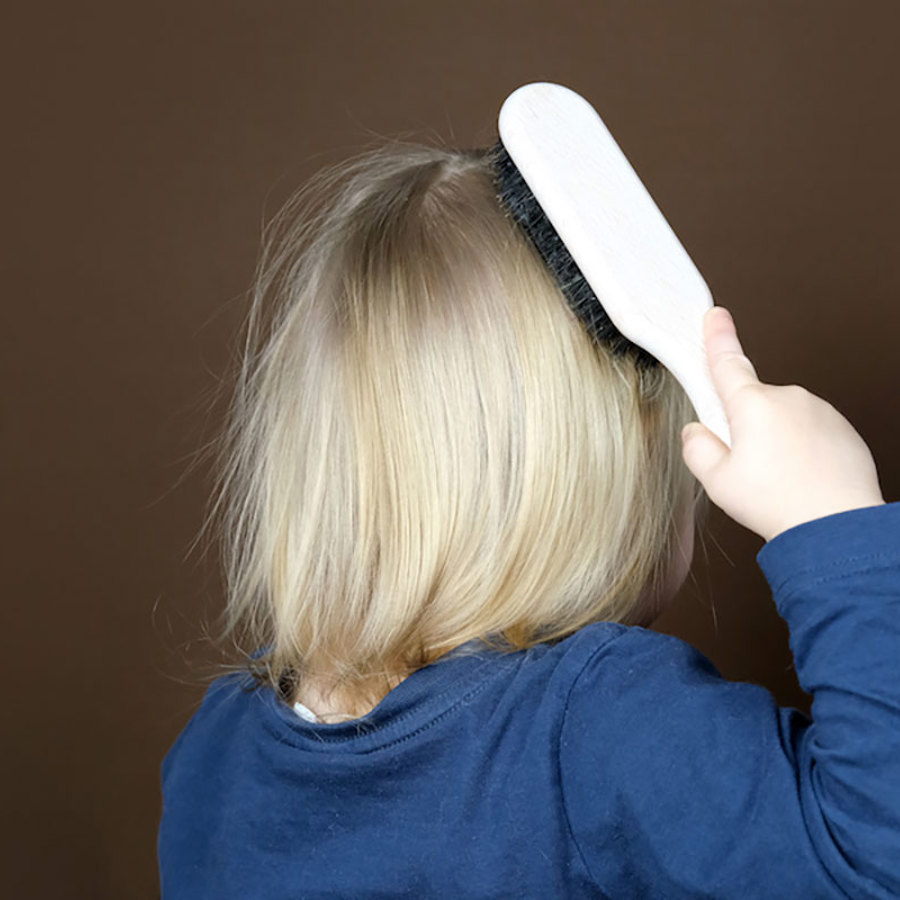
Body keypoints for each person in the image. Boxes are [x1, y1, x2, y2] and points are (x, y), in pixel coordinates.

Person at [157, 143, 898, 898]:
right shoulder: (594, 726)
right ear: (608, 483)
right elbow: (875, 864)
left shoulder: (211, 754)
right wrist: (835, 525)